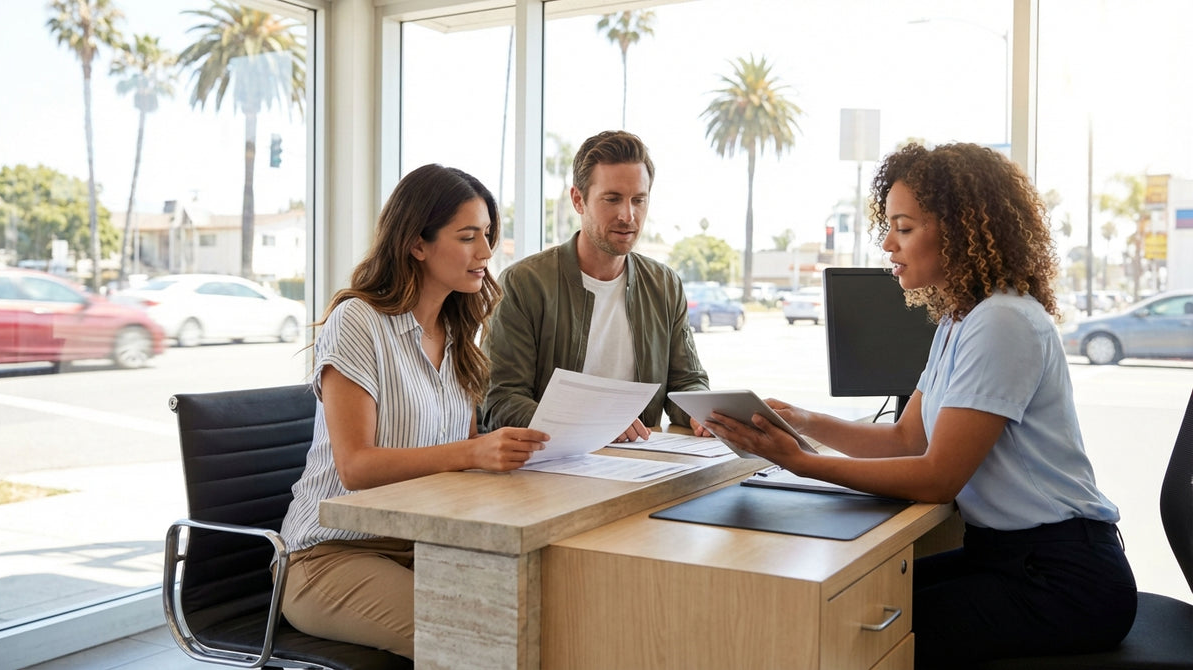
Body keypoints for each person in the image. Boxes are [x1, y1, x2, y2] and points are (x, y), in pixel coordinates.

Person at [706, 142, 1137, 668]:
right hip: (1010, 560)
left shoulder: (1002, 321)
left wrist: (801, 463)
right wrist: (802, 422)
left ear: (958, 230)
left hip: (1064, 580)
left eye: (904, 228)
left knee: (845, 630)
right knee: (837, 602)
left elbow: (937, 478)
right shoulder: (960, 319)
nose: (888, 244)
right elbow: (907, 439)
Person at [277, 164, 549, 660]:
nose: (486, 252)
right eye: (467, 237)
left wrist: (513, 453)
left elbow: (461, 460)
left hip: (422, 543)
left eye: (487, 234)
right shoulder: (359, 322)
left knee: (545, 614)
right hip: (330, 555)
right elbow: (355, 467)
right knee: (476, 644)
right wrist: (473, 452)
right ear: (417, 244)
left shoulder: (457, 336)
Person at [481, 129, 711, 441]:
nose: (628, 215)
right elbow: (500, 401)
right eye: (612, 199)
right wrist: (591, 423)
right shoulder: (523, 284)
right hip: (553, 460)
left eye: (638, 200)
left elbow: (687, 382)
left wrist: (703, 413)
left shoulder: (664, 284)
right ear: (578, 200)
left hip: (641, 457)